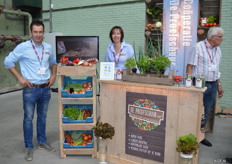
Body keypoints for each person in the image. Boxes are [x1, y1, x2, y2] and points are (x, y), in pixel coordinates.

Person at [4, 20, 57, 161]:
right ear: (30, 32)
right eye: (35, 32)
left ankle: (42, 142)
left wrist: (53, 75)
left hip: (45, 89)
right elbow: (8, 62)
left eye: (40, 32)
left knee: (42, 117)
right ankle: (29, 147)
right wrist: (20, 78)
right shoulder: (23, 47)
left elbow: (53, 62)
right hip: (30, 89)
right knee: (28, 119)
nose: (38, 35)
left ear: (43, 32)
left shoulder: (48, 48)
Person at [186, 27, 224, 147]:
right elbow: (190, 67)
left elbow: (216, 69)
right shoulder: (198, 47)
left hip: (212, 85)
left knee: (206, 112)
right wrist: (189, 84)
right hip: (199, 84)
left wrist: (219, 85)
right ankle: (189, 135)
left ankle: (200, 136)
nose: (222, 39)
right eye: (220, 37)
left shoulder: (218, 50)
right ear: (213, 37)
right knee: (194, 110)